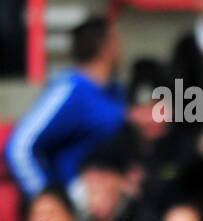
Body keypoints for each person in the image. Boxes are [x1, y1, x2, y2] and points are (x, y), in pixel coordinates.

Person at [5, 18, 127, 199]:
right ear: (106, 47)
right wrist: (48, 198)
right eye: (118, 40)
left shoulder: (117, 90)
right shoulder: (69, 89)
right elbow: (19, 147)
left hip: (115, 193)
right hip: (78, 198)